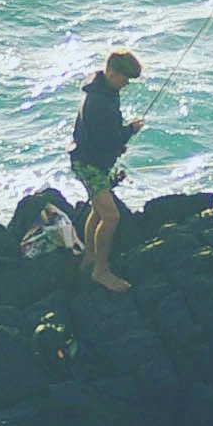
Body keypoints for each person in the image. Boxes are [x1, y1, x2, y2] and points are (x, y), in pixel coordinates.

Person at [70, 48, 145, 292]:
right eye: (124, 78)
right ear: (111, 71)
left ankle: (90, 257)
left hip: (90, 159)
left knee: (98, 210)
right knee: (111, 216)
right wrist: (129, 131)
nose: (126, 84)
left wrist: (119, 137)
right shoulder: (100, 102)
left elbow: (104, 136)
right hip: (89, 164)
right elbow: (109, 140)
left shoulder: (104, 89)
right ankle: (100, 271)